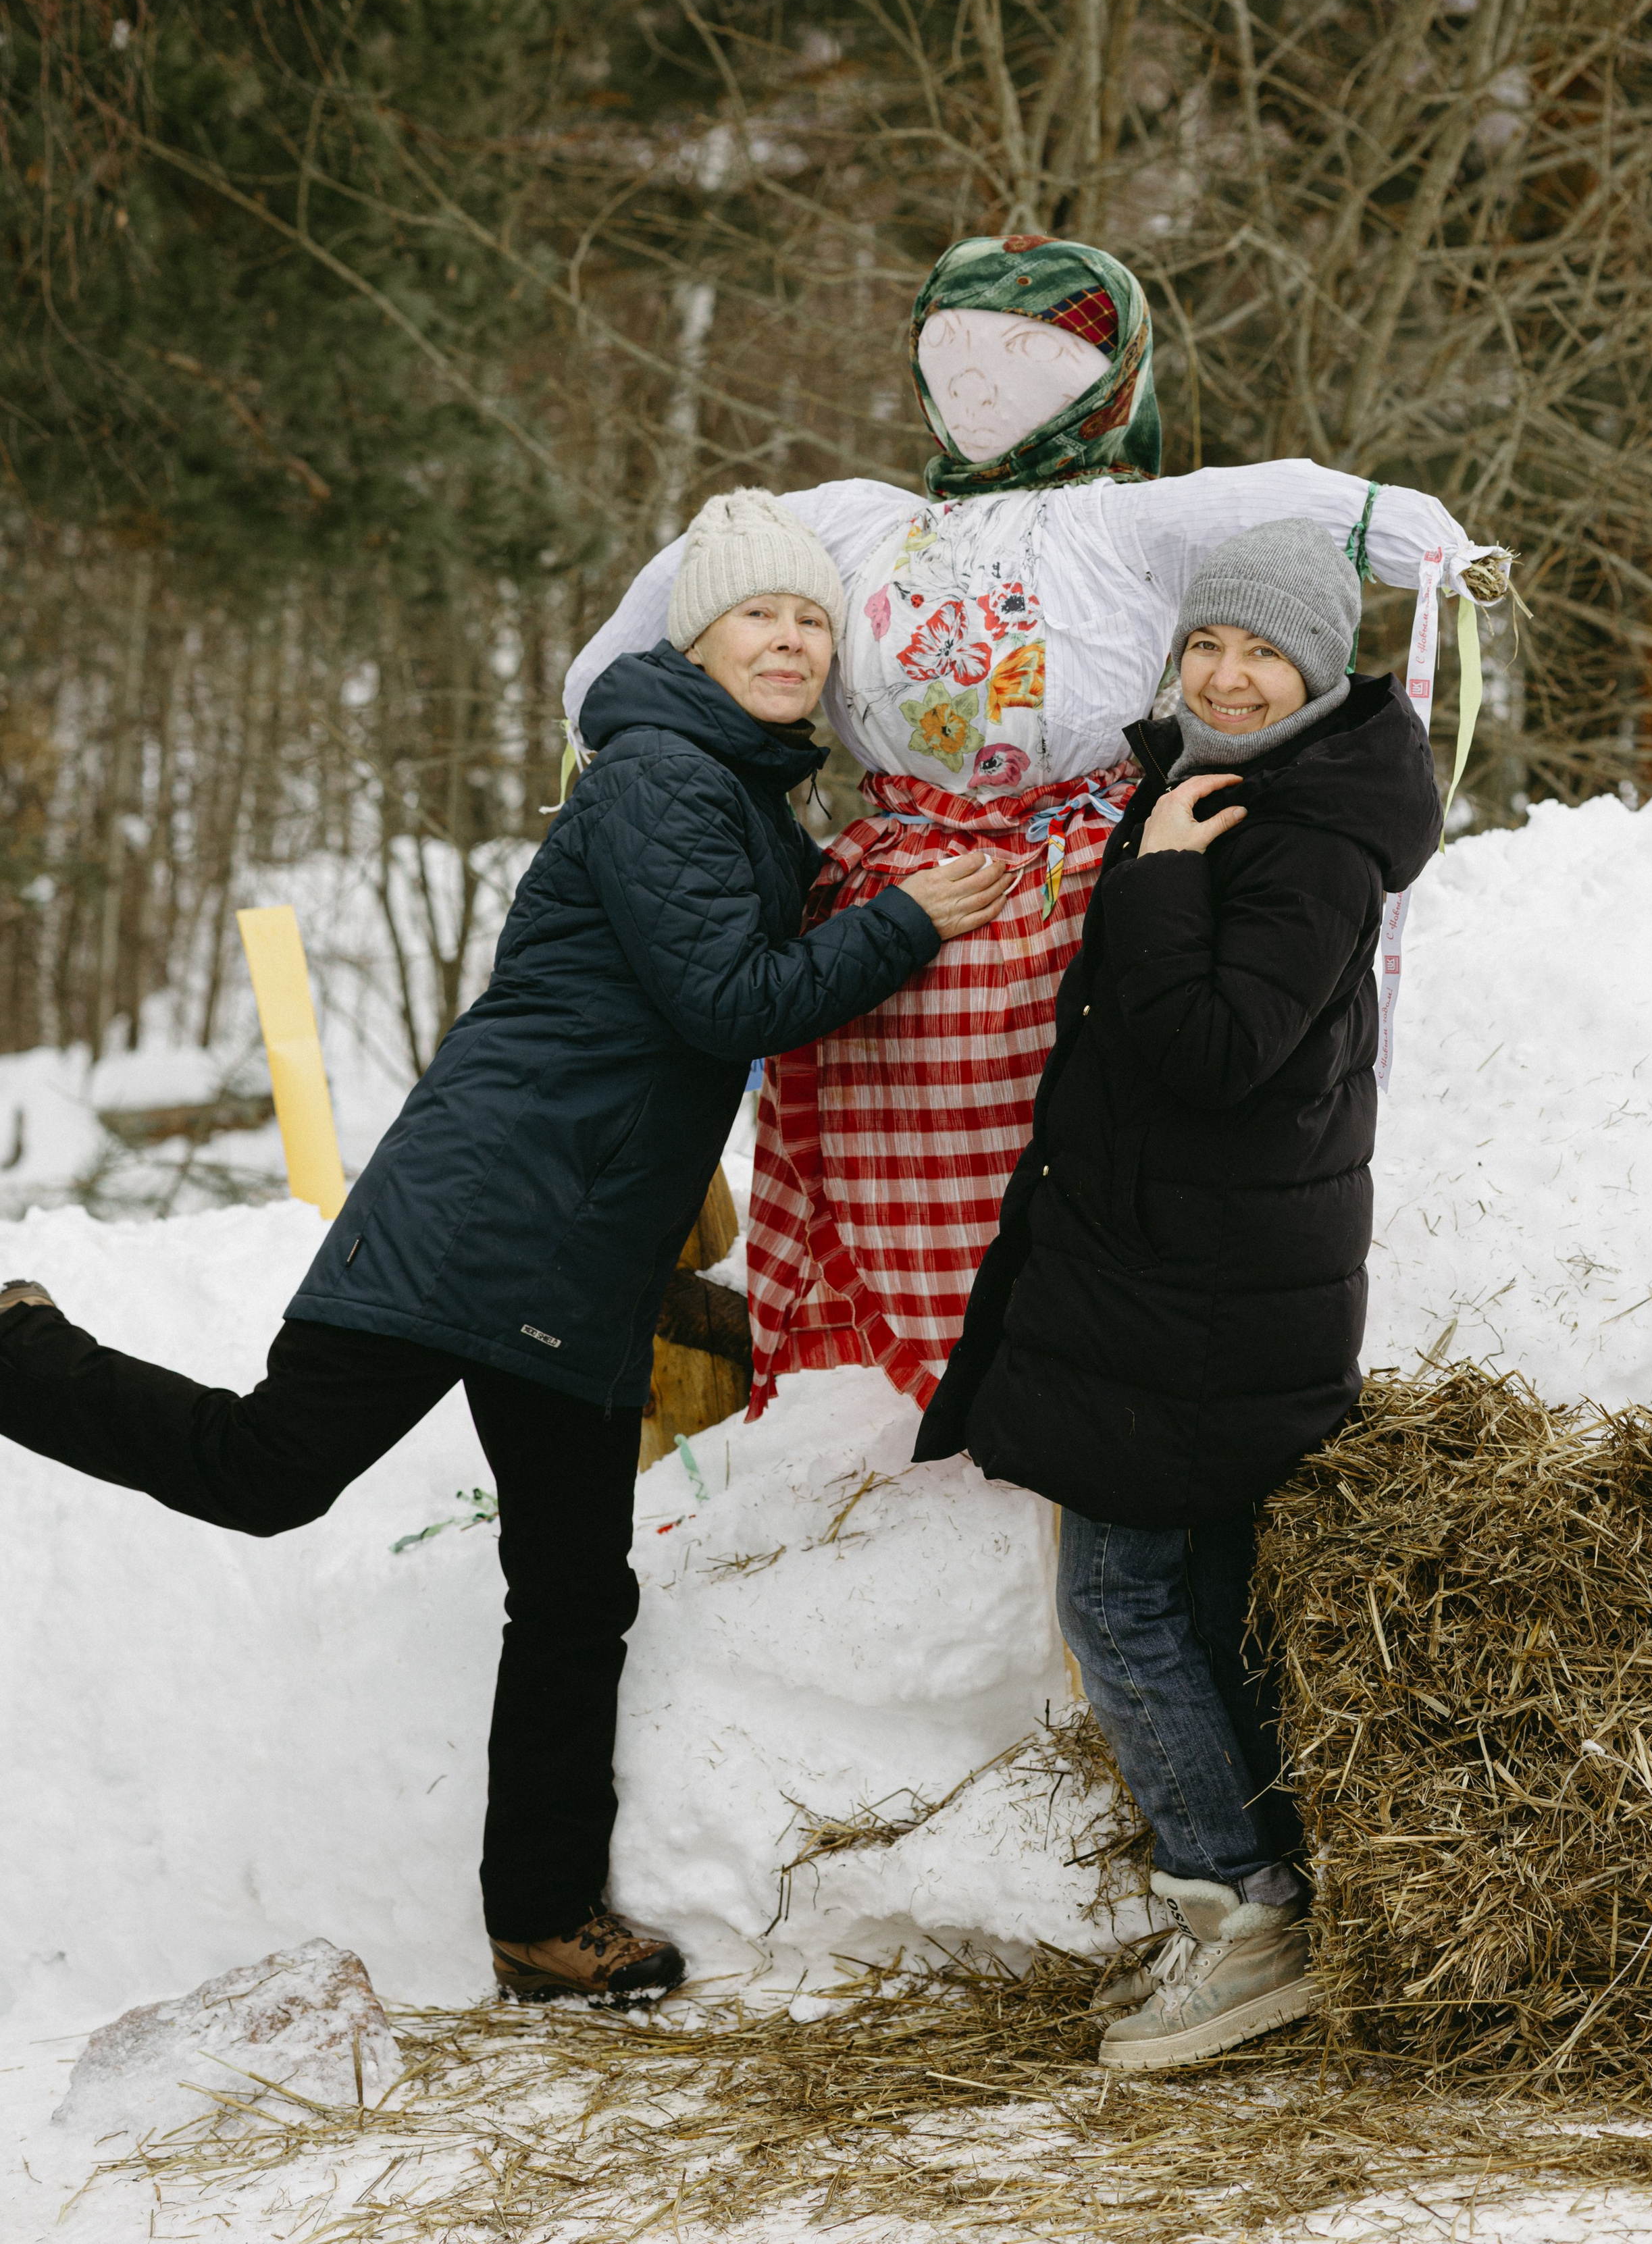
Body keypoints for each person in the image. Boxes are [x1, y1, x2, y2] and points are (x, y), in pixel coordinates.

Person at [0, 491, 1012, 2005]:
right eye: (759, 615)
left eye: (811, 618)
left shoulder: (737, 794)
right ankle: (16, 1351)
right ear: (698, 637)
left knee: (569, 1585)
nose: (791, 639)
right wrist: (914, 918)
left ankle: (540, 1917)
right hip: (485, 1215)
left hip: (575, 1254)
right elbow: (730, 1002)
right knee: (274, 1472)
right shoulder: (661, 779)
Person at [563, 235, 1507, 1428]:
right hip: (892, 885)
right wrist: (601, 687)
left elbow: (1281, 496)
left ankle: (1046, 1362)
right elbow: (710, 560)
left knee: (1065, 1137)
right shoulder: (862, 522)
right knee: (879, 1131)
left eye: (1027, 357)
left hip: (1070, 879)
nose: (981, 383)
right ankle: (878, 1381)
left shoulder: (1129, 527)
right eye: (954, 353)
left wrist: (1423, 541)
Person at [913, 517, 1443, 2070]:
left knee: (1118, 1600)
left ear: (1316, 671)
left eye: (1259, 652)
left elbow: (1219, 1049)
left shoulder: (1308, 837)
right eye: (1206, 644)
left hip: (1196, 1297)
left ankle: (1239, 1908)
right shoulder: (1240, 788)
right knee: (1195, 1602)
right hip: (1188, 1274)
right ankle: (1259, 1898)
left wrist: (1150, 882)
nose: (1224, 672)